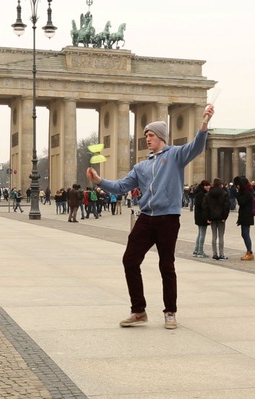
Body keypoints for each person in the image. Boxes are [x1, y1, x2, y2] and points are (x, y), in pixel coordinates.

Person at [85, 104, 214, 330]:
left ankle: (170, 312)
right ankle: (138, 311)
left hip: (168, 219)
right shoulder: (141, 166)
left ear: (161, 137)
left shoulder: (175, 155)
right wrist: (99, 181)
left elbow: (196, 146)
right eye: (145, 135)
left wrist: (204, 122)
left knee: (167, 265)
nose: (147, 138)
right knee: (130, 260)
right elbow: (121, 186)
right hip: (146, 217)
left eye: (151, 135)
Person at [203, 178, 230, 260]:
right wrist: (224, 217)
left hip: (212, 218)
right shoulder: (224, 193)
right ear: (220, 184)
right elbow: (226, 206)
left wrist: (207, 217)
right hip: (221, 217)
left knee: (214, 236)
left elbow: (205, 206)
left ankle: (214, 254)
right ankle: (221, 254)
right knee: (221, 236)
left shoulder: (208, 194)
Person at [234, 176, 255, 261]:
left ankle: (249, 252)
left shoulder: (247, 192)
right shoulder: (246, 191)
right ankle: (248, 251)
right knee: (244, 234)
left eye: (238, 185)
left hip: (247, 216)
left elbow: (241, 202)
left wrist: (238, 194)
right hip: (245, 215)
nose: (237, 187)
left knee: (245, 234)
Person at [192, 180, 211, 258]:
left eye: (208, 185)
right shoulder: (202, 194)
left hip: (199, 216)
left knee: (200, 234)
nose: (208, 187)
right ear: (203, 186)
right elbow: (203, 206)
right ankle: (200, 251)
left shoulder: (199, 193)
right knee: (202, 234)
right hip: (202, 216)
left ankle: (196, 250)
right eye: (206, 185)